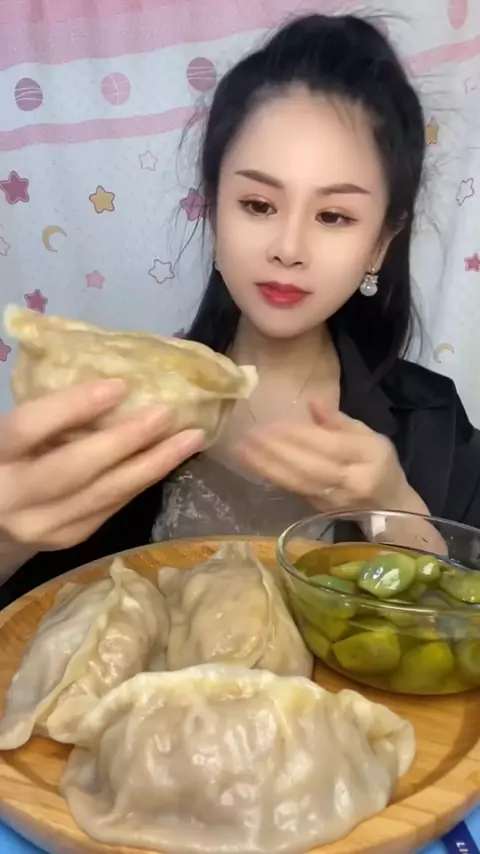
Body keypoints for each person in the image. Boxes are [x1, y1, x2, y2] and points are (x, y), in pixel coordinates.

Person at [0, 13, 479, 608]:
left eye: (333, 216)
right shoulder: (117, 406)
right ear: (214, 209)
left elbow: (455, 633)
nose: (288, 247)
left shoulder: (433, 425)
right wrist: (6, 535)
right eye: (257, 204)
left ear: (381, 242)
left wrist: (394, 506)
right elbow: (36, 620)